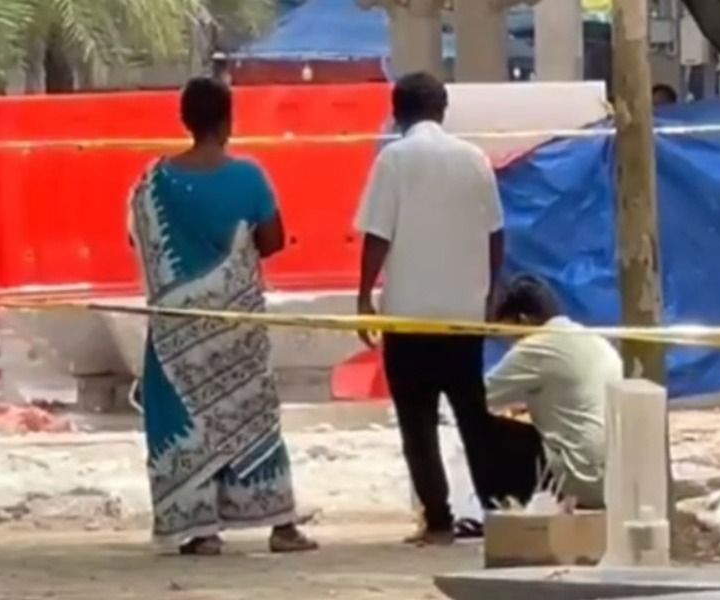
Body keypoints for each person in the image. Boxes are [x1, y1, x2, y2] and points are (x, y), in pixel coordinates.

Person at [127, 77, 317, 556]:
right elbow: (272, 241)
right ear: (228, 120)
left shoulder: (153, 183)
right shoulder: (250, 176)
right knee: (251, 414)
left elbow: (139, 242)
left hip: (175, 334)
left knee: (185, 419)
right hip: (235, 327)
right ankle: (279, 524)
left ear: (184, 120)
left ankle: (201, 530)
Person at [355, 71, 505, 546]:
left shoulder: (394, 160)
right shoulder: (475, 159)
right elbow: (495, 234)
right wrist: (488, 292)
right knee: (473, 416)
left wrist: (364, 297)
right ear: (442, 110)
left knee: (417, 421)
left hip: (409, 313)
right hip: (464, 314)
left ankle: (437, 517)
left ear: (398, 112)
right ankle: (496, 509)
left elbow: (378, 234)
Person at [486, 275, 623, 509]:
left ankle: (497, 505)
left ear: (522, 321)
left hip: (582, 481)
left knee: (478, 424)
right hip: (619, 482)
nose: (509, 345)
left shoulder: (537, 345)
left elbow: (477, 394)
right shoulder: (590, 338)